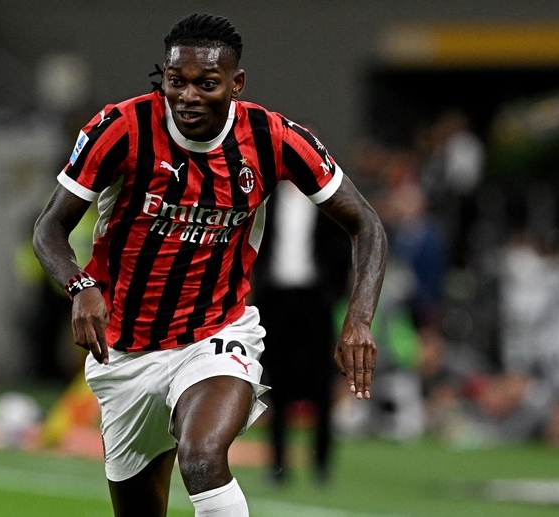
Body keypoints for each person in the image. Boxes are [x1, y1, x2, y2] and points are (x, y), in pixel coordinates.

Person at [32, 12, 387, 517]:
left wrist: (359, 318)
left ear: (236, 84)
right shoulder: (121, 128)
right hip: (124, 353)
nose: (188, 96)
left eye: (206, 83)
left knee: (201, 458)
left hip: (215, 333)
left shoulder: (273, 138)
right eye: (176, 81)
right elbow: (48, 228)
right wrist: (80, 285)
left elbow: (366, 223)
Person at [253, 178, 351, 483]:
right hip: (276, 300)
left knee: (321, 384)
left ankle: (321, 463)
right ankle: (277, 465)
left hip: (315, 301)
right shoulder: (267, 199)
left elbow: (342, 244)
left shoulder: (326, 198)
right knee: (275, 384)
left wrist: (332, 293)